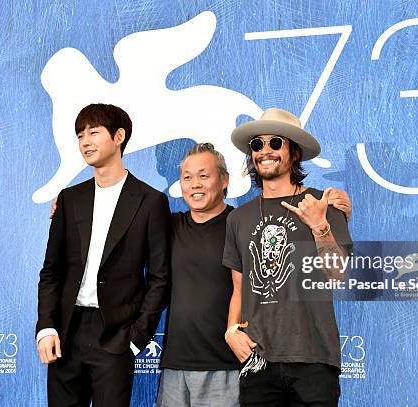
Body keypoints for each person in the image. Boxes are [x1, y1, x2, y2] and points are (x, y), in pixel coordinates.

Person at [47, 143, 352, 406]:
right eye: (187, 178)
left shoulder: (239, 222)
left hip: (228, 367)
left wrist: (333, 216)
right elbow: (118, 225)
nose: (195, 184)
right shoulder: (166, 225)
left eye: (204, 176)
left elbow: (247, 286)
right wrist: (74, 204)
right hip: (175, 368)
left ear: (224, 181)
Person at [36, 103, 171, 407]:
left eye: (94, 132)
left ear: (119, 136)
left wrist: (136, 340)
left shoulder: (150, 202)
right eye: (80, 134)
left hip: (115, 334)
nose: (85, 141)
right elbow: (51, 271)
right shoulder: (69, 199)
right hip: (66, 332)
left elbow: (160, 278)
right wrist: (46, 326)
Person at [222, 108, 353, 406]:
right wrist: (231, 331)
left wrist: (320, 226)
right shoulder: (238, 218)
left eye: (275, 143)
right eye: (257, 144)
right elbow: (239, 288)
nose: (265, 151)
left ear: (294, 153)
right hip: (258, 362)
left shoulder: (323, 204)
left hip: (314, 360)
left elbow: (338, 274)